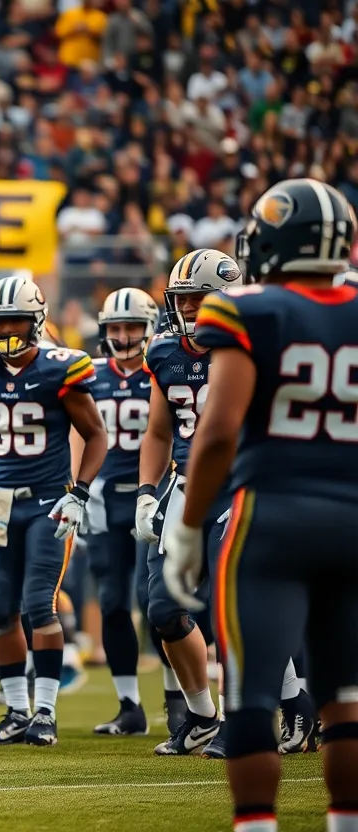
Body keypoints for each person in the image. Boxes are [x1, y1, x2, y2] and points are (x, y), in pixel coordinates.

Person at [163, 178, 358, 832]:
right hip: (351, 517)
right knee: (346, 703)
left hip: (269, 517)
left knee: (250, 700)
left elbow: (216, 433)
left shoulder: (249, 308)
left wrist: (189, 527)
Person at [0, 274, 107, 747]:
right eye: (0, 323)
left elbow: (97, 434)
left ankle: (46, 712)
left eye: (17, 320)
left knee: (39, 604)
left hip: (47, 502)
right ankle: (16, 711)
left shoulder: (61, 368)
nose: (8, 331)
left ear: (37, 321)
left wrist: (78, 492)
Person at [136, 248, 243, 758]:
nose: (192, 309)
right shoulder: (163, 352)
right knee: (162, 608)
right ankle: (202, 715)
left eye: (201, 299)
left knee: (232, 604)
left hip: (240, 482)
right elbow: (158, 431)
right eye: (184, 300)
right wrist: (145, 493)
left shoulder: (250, 348)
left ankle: (257, 713)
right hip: (183, 484)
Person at [84, 288, 161, 736]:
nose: (125, 335)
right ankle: (129, 704)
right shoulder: (89, 374)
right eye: (116, 327)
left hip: (153, 494)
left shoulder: (164, 367)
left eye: (132, 326)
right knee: (112, 601)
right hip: (104, 497)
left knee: (156, 602)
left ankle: (179, 699)